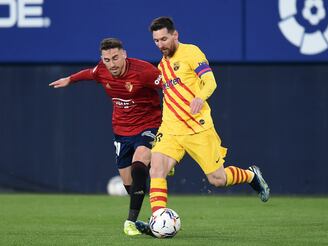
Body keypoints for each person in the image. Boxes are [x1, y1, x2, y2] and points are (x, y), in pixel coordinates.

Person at [136, 17, 270, 233]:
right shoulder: (162, 66)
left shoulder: (191, 53)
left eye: (164, 39)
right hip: (170, 130)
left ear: (175, 35)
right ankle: (157, 222)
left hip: (198, 129)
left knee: (218, 179)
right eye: (156, 41)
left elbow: (210, 81)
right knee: (157, 169)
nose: (160, 44)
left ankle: (252, 175)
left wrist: (200, 97)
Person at [49, 38, 163, 236]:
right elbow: (89, 73)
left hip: (149, 125)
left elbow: (168, 86)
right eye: (107, 59)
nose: (112, 64)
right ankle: (154, 214)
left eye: (115, 58)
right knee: (130, 184)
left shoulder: (144, 71)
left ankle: (131, 221)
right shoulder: (102, 70)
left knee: (139, 163)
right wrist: (70, 79)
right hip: (121, 131)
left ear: (124, 54)